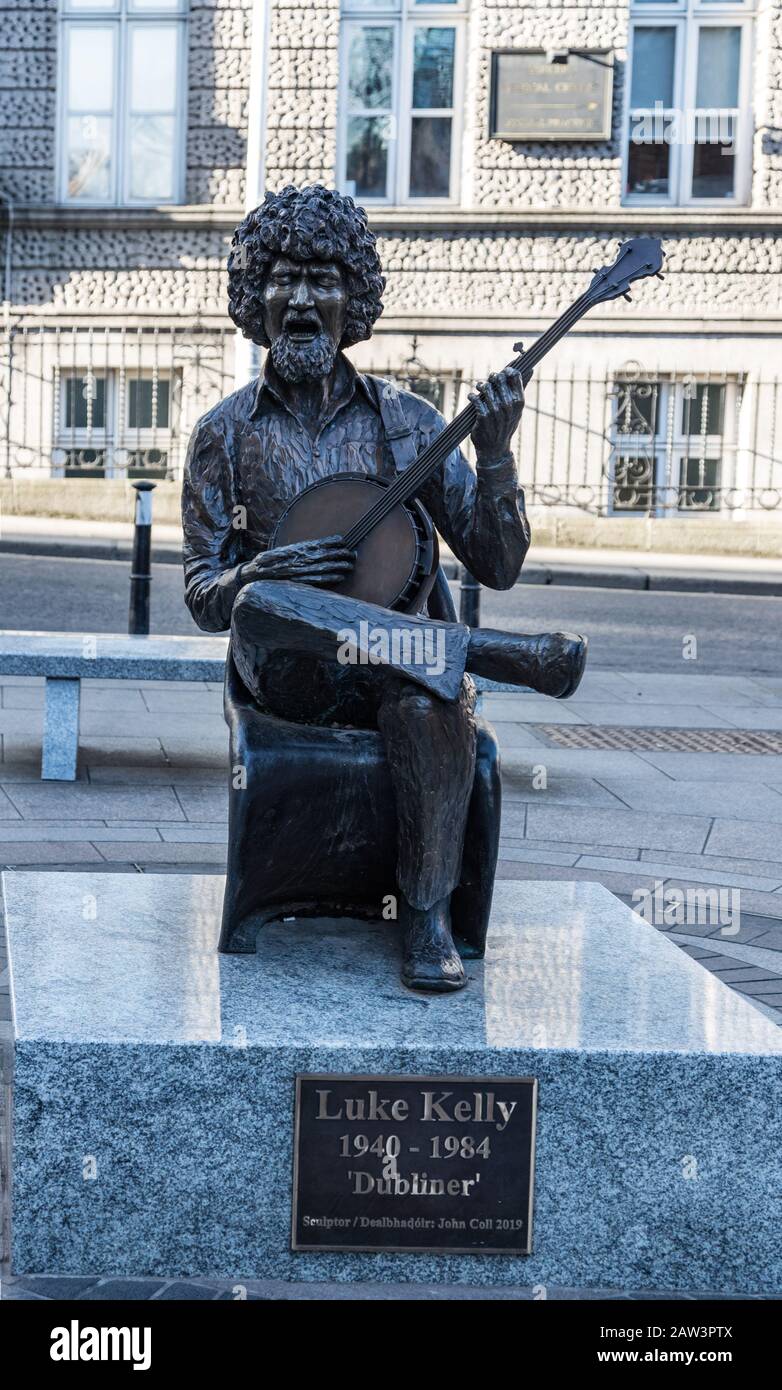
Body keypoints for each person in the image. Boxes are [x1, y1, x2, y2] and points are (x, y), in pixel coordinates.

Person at [182, 184, 586, 993]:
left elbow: (496, 563)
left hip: (393, 670)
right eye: (284, 278)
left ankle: (428, 918)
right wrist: (256, 574)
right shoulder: (224, 432)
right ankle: (483, 655)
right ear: (254, 296)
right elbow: (202, 593)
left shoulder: (407, 423)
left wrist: (499, 453)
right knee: (262, 607)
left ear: (353, 300)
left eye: (323, 279)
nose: (301, 299)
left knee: (429, 700)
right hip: (290, 674)